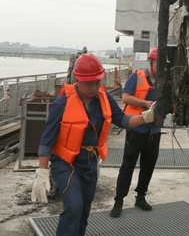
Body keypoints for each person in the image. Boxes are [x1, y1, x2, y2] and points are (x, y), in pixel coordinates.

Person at [32, 53, 155, 236]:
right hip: (65, 164)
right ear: (77, 80)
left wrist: (145, 117)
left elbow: (122, 120)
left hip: (89, 163)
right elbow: (47, 139)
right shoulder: (62, 102)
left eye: (97, 82)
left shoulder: (103, 98)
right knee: (74, 208)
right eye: (89, 83)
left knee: (84, 210)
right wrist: (42, 172)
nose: (94, 87)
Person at [109, 47, 163, 218]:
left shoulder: (163, 81)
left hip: (154, 131)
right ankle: (118, 201)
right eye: (159, 64)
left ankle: (140, 197)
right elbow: (125, 97)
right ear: (151, 62)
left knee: (148, 166)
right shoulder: (137, 77)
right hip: (136, 129)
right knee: (128, 165)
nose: (161, 68)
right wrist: (145, 104)